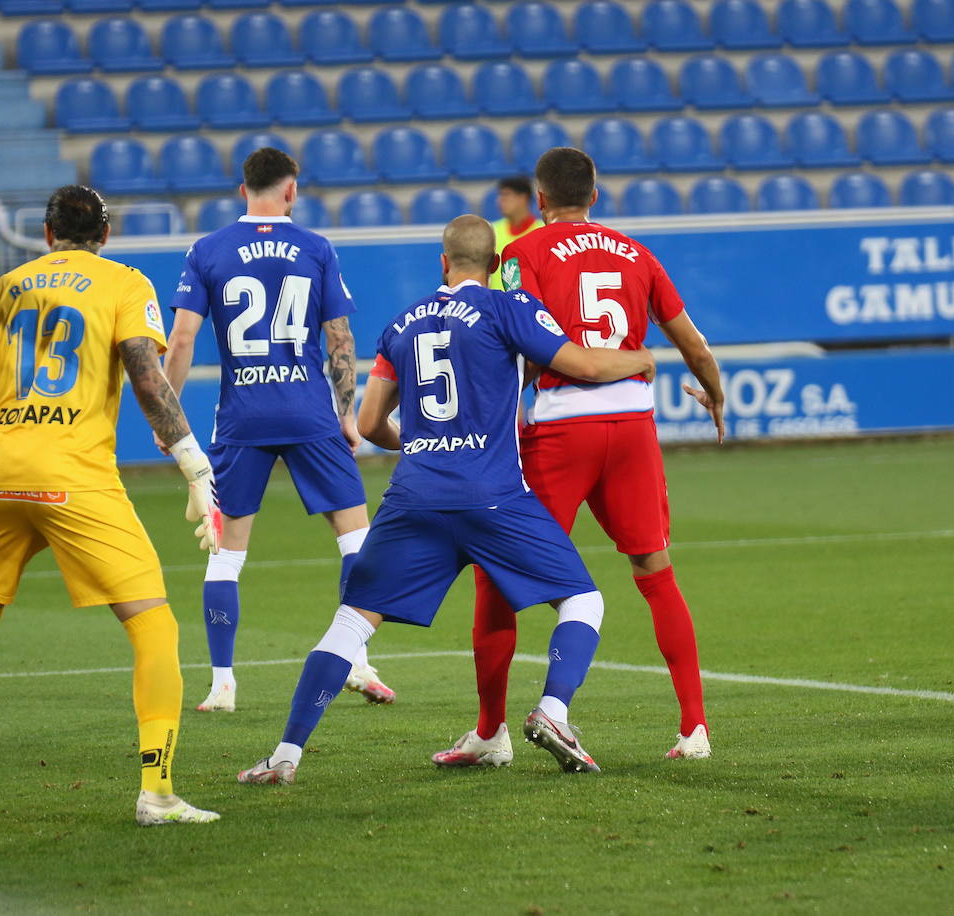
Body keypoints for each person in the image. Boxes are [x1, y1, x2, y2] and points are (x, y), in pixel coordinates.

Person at [235, 215, 657, 784]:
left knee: (350, 623)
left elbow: (366, 421)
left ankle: (285, 756)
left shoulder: (402, 324)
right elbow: (580, 365)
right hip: (493, 496)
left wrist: (426, 446)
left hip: (414, 497)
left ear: (443, 263)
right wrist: (640, 359)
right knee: (583, 602)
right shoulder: (508, 307)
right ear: (496, 267)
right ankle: (553, 711)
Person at [0, 186, 220, 825]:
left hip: (1, 477)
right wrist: (193, 463)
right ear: (105, 234)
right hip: (75, 478)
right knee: (153, 624)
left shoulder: (0, 290)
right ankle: (157, 793)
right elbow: (147, 376)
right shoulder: (124, 283)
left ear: (47, 234)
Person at [434, 148, 726, 767]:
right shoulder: (637, 253)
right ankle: (694, 727)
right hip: (634, 425)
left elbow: (527, 340)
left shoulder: (521, 255)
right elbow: (692, 342)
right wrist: (715, 396)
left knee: (498, 575)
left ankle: (491, 732)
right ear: (596, 194)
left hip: (561, 429)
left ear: (538, 201)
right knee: (655, 571)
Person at [162, 147, 394, 712]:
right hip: (309, 409)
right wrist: (346, 411)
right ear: (291, 192)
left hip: (242, 417)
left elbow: (184, 340)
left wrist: (165, 415)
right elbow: (338, 336)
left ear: (244, 190)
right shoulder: (315, 247)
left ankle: (222, 683)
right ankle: (355, 662)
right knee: (356, 540)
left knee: (226, 553)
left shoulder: (208, 249)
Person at [487, 175, 543, 290]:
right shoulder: (492, 230)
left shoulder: (542, 231)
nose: (500, 200)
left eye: (506, 195)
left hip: (531, 304)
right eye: (500, 195)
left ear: (523, 198)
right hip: (497, 304)